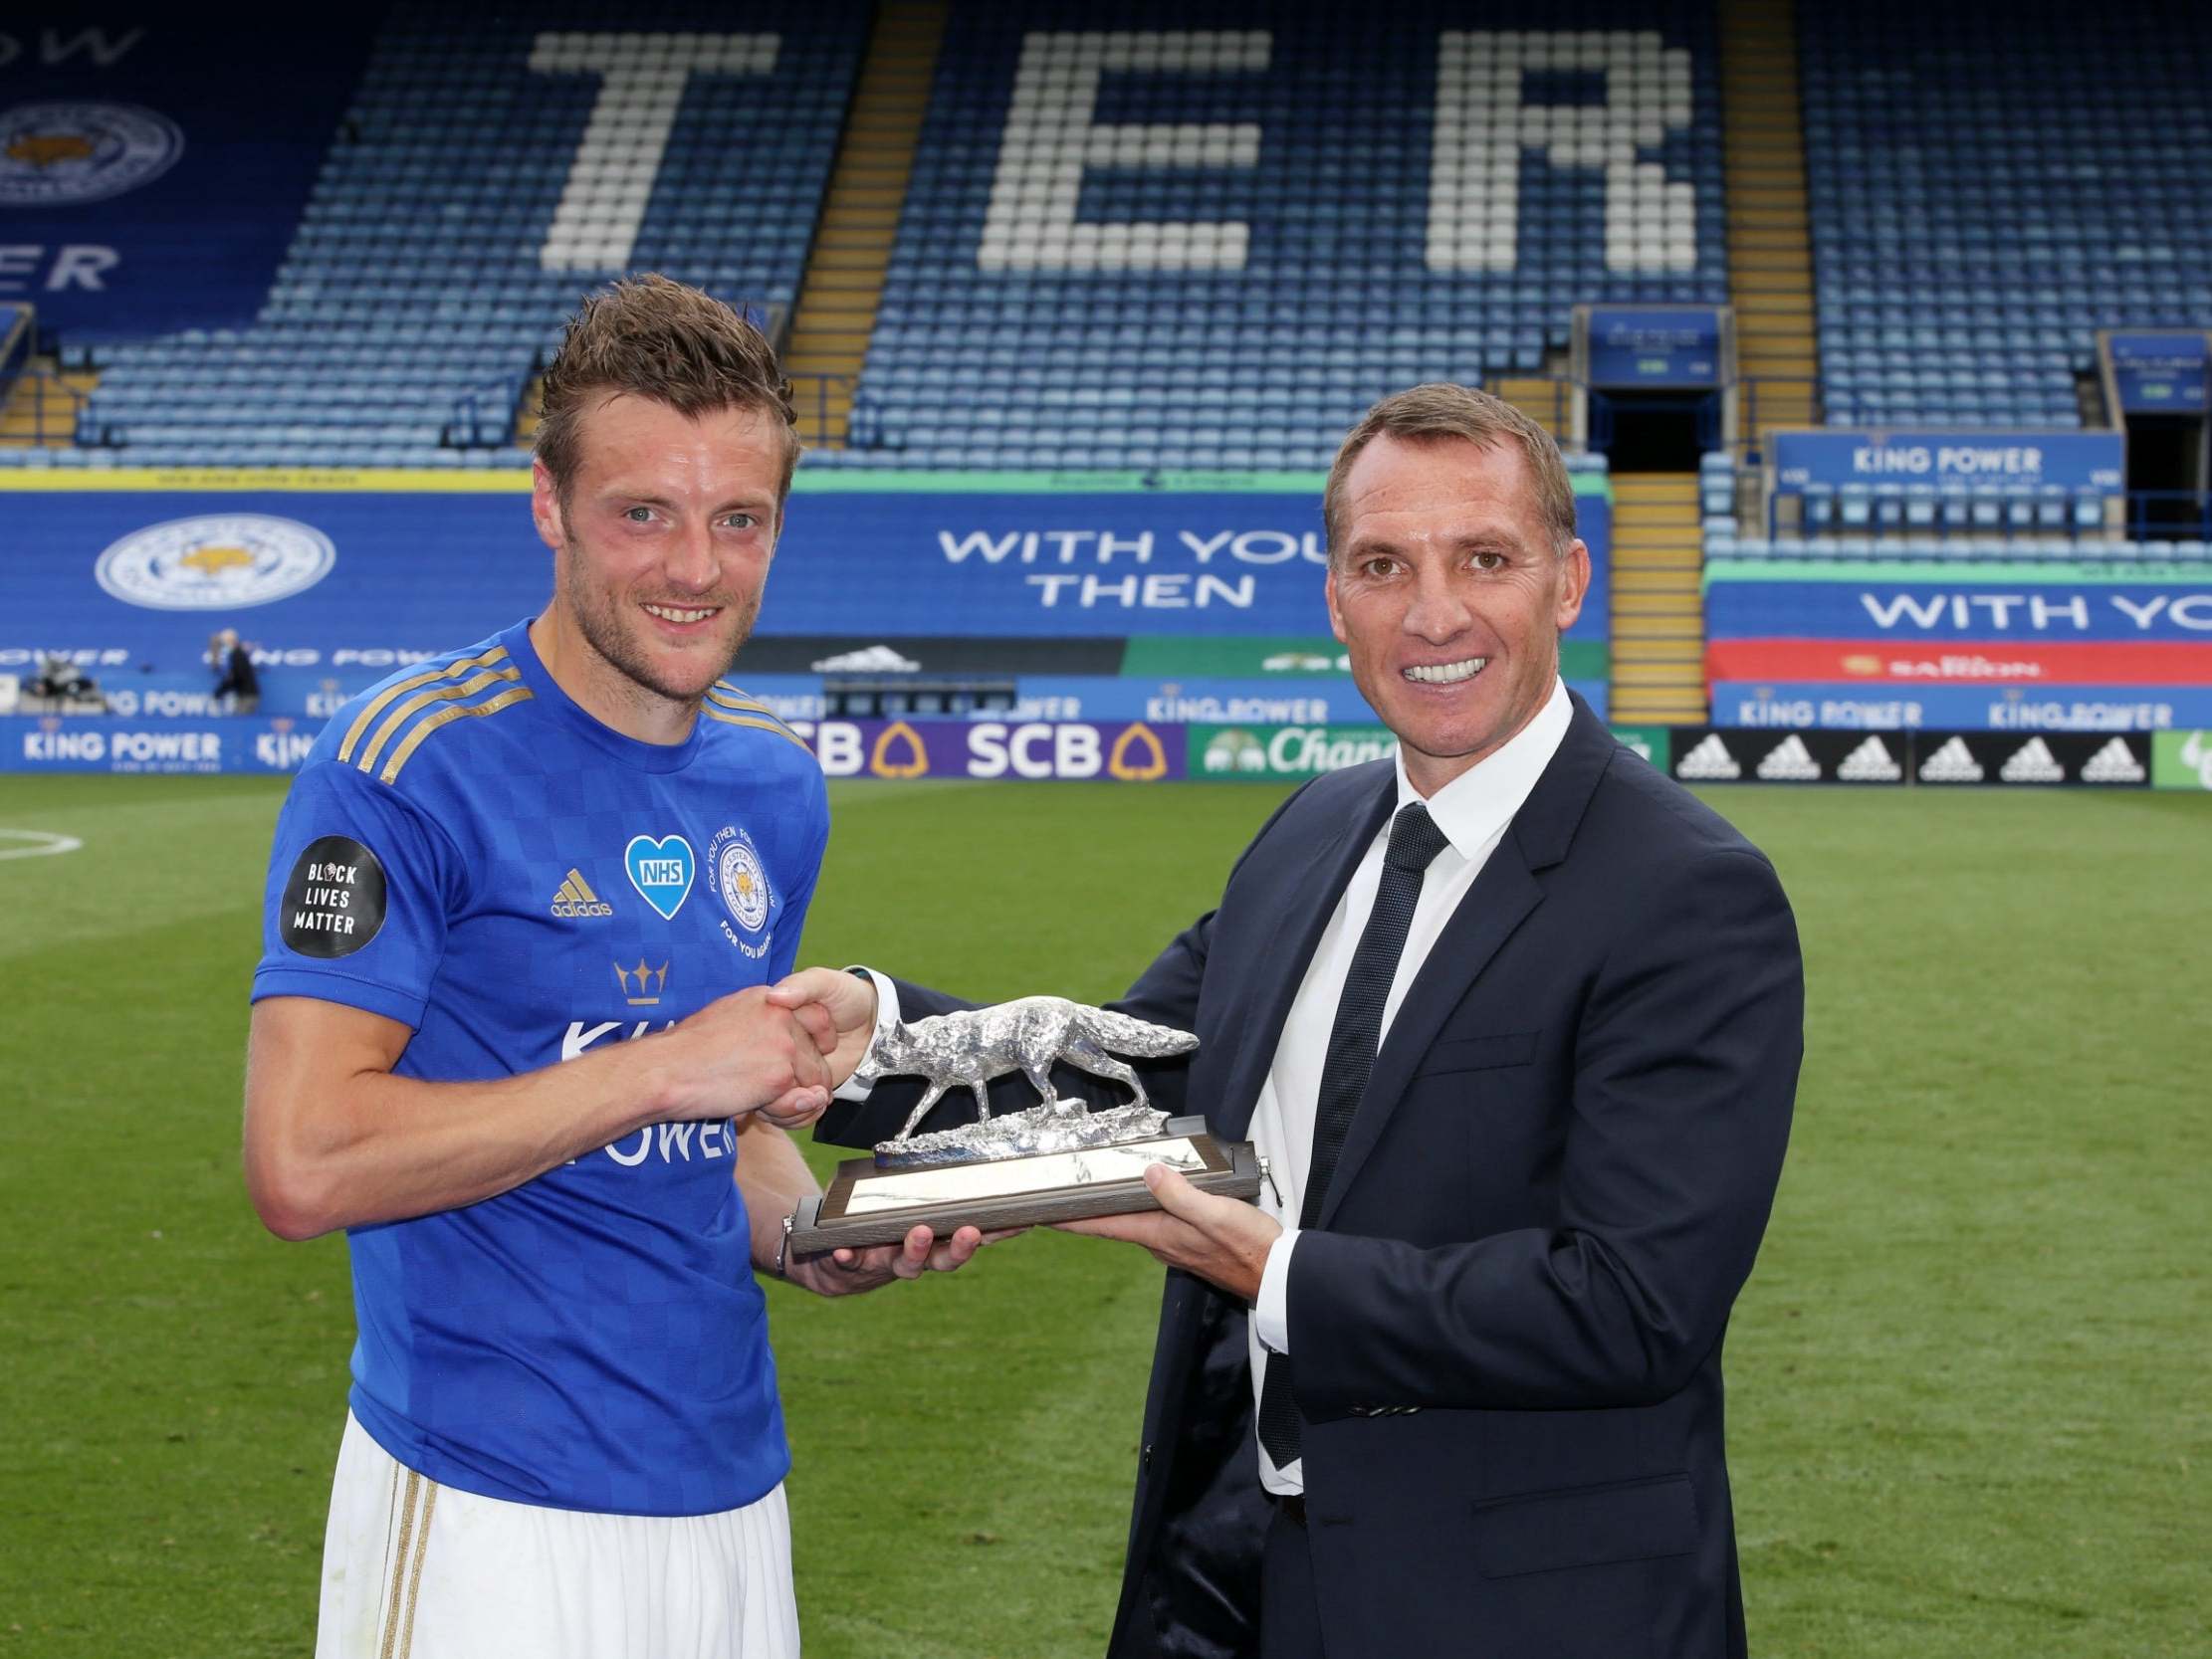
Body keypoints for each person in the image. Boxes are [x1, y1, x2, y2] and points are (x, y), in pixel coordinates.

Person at [776, 384, 1804, 1659]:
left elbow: (1633, 1303)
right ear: (1333, 597)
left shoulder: (1685, 891)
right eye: (1383, 565)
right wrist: (871, 1042)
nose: (1432, 613)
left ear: (1567, 578)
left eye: (1482, 558)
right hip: (1230, 1569)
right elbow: (1130, 1074)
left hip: (1510, 1603)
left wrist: (1274, 1270)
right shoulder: (1312, 829)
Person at [243, 275, 994, 1659]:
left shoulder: (772, 783)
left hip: (729, 1492)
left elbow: (735, 1137)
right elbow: (304, 1159)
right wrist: (661, 1068)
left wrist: (821, 1240)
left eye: (737, 519)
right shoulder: (402, 763)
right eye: (642, 511)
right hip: (484, 1505)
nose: (693, 567)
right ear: (549, 504)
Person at [211, 628, 260, 713]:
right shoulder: (238, 654)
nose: (223, 645)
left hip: (247, 695)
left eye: (224, 643)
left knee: (240, 722)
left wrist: (220, 691)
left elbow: (236, 676)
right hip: (245, 694)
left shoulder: (237, 655)